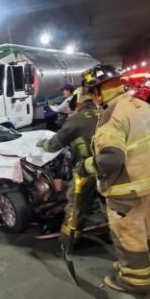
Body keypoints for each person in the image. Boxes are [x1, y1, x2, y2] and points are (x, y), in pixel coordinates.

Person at [80, 64, 150, 294]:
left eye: (91, 92)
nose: (92, 98)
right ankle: (141, 265)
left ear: (98, 91)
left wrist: (84, 166)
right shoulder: (141, 105)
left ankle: (133, 280)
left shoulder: (111, 116)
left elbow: (112, 158)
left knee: (127, 235)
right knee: (145, 231)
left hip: (127, 189)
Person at [36, 86, 101, 243]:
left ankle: (69, 240)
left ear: (78, 101)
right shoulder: (103, 113)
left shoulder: (76, 119)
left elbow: (54, 145)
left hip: (88, 169)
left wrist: (42, 144)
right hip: (109, 167)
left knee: (74, 205)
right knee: (109, 204)